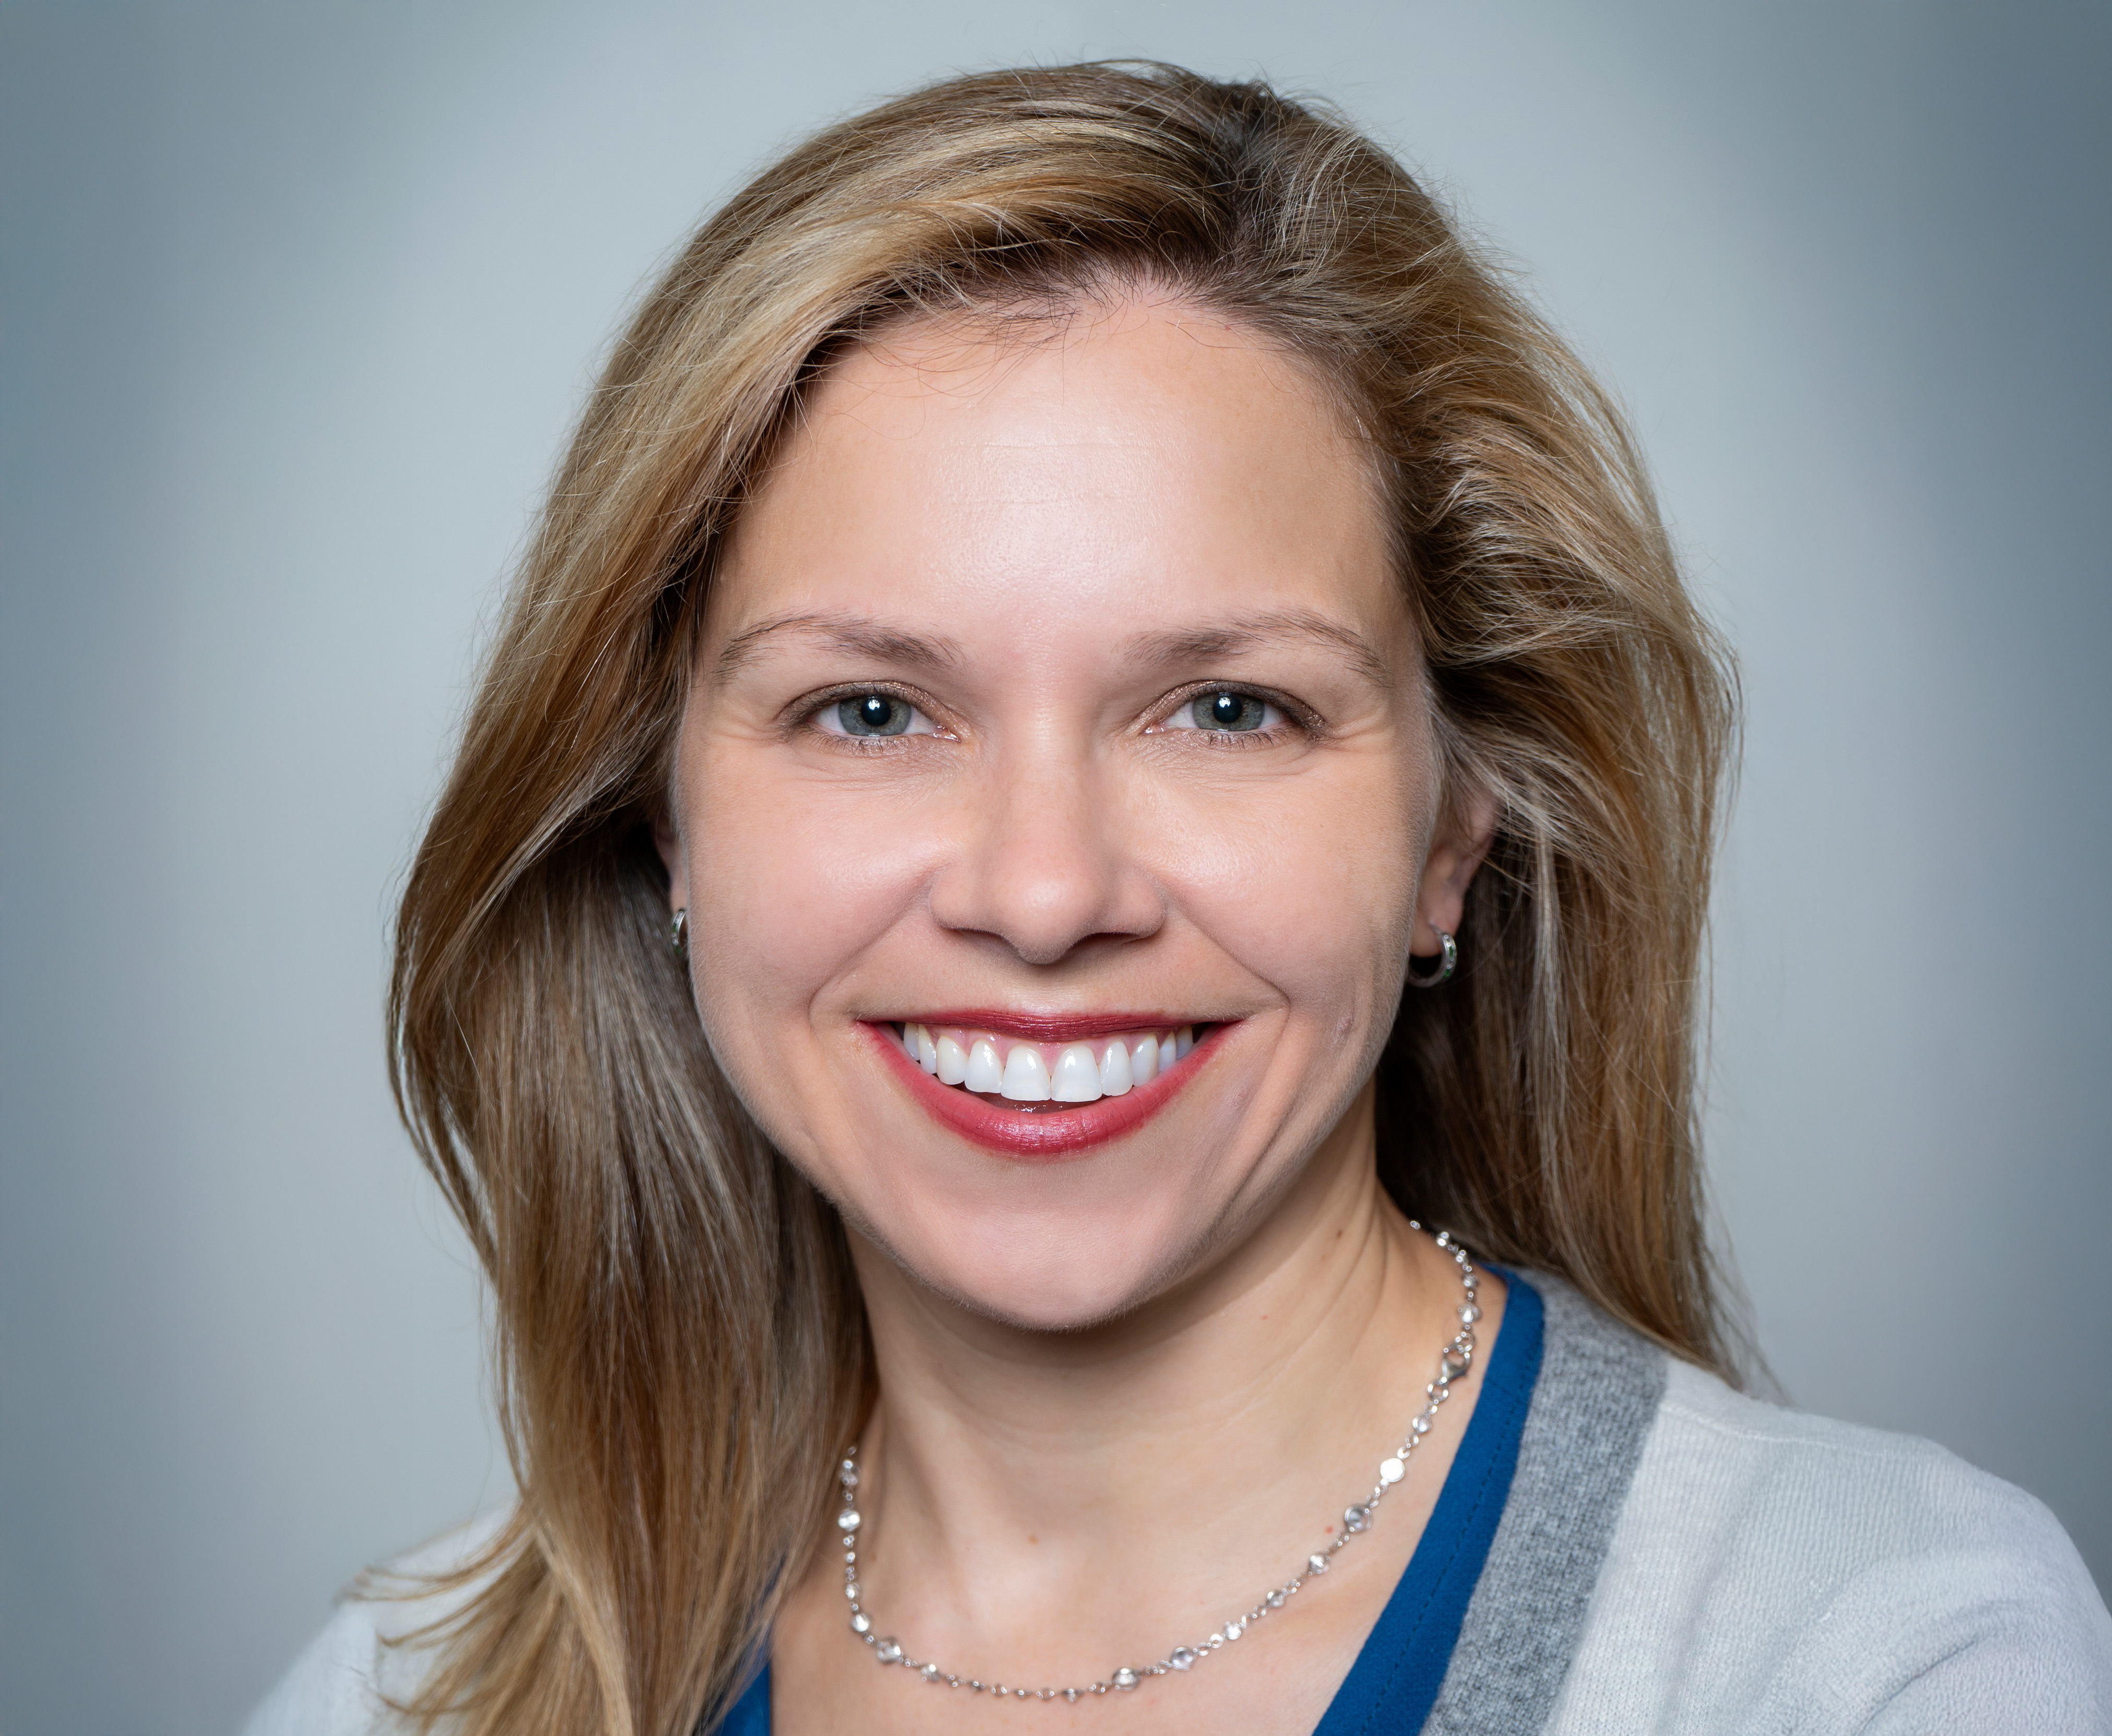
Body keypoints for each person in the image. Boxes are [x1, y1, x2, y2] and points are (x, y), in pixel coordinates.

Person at [244, 61, 2111, 1736]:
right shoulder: (415, 1700)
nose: (1043, 893)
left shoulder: (1867, 1659)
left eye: (1229, 709)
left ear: (1453, 830)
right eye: (872, 709)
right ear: (668, 828)